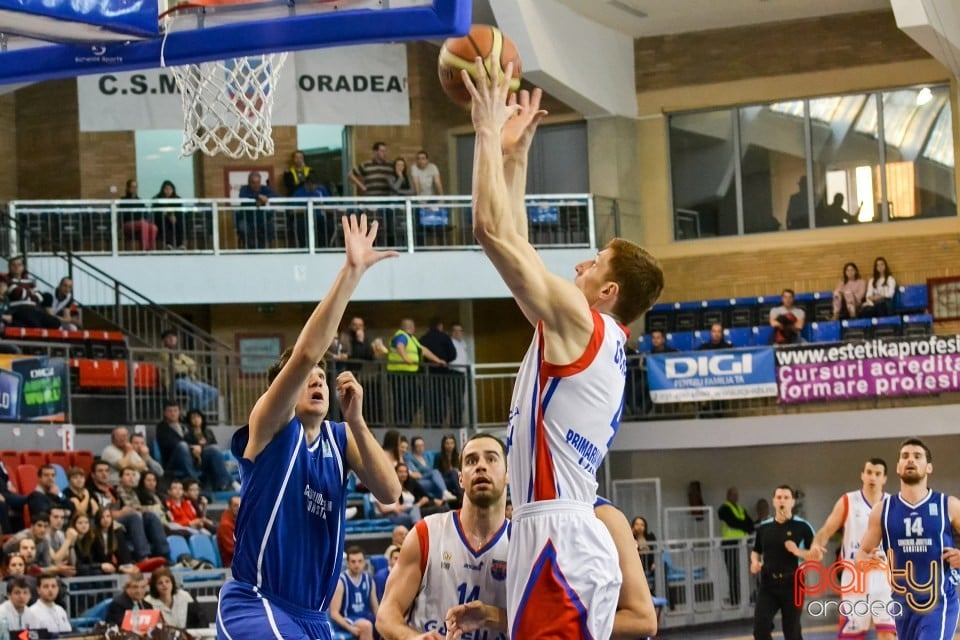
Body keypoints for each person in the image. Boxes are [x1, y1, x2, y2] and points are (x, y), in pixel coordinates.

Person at [462, 60, 663, 638]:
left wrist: (482, 130)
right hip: (550, 533)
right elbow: (515, 247)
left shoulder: (582, 323)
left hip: (557, 538)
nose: (580, 263)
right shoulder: (588, 336)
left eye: (594, 261)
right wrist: (516, 156)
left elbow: (490, 232)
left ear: (609, 291)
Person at [215, 214, 401, 640]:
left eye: (322, 377)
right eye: (309, 378)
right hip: (256, 602)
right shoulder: (272, 426)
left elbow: (390, 492)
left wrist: (355, 420)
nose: (317, 379)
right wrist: (351, 274)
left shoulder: (339, 439)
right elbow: (303, 355)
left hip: (313, 619)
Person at [376, 434, 510, 640]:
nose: (481, 466)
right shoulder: (426, 533)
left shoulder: (521, 542)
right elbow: (386, 615)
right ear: (460, 478)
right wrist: (413, 638)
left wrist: (490, 616)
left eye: (491, 459)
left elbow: (541, 621)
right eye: (472, 460)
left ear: (508, 474)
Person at [858, 438, 960, 639]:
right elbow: (862, 553)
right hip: (903, 605)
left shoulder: (948, 505)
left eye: (917, 456)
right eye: (905, 456)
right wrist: (865, 562)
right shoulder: (883, 511)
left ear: (928, 467)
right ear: (898, 467)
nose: (910, 460)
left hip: (939, 601)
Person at [810, 457, 895, 640]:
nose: (873, 477)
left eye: (877, 474)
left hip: (884, 578)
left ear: (884, 478)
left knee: (888, 633)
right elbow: (826, 531)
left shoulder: (893, 504)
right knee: (852, 636)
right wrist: (816, 545)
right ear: (862, 475)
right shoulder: (848, 501)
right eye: (869, 472)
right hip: (855, 577)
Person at [750, 485, 819, 640]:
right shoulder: (764, 527)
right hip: (768, 583)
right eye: (779, 497)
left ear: (793, 502)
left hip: (793, 583)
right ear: (773, 501)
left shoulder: (802, 526)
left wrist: (798, 552)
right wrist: (754, 562)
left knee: (792, 632)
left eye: (786, 498)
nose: (782, 500)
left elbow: (817, 555)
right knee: (760, 629)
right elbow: (756, 551)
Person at [159, 332, 221, 414]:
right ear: (164, 341)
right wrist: (185, 365)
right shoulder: (164, 353)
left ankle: (191, 411)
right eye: (168, 337)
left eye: (173, 337)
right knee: (198, 392)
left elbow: (193, 365)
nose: (172, 339)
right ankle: (192, 413)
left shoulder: (179, 353)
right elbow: (176, 368)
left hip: (188, 379)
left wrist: (184, 364)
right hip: (175, 380)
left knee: (213, 391)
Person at [331, 547, 378, 640]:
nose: (357, 564)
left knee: (387, 624)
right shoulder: (341, 582)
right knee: (366, 626)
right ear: (347, 563)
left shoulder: (369, 580)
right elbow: (334, 613)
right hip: (347, 618)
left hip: (365, 617)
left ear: (365, 562)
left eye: (360, 561)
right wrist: (350, 628)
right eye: (353, 561)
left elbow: (376, 608)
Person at [718, 487, 753, 606]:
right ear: (728, 495)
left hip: (742, 544)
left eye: (737, 494)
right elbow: (733, 522)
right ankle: (734, 598)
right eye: (733, 494)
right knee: (733, 572)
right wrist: (744, 525)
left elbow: (750, 524)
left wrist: (743, 525)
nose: (736, 497)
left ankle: (742, 597)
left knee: (742, 572)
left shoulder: (741, 509)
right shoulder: (724, 509)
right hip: (730, 543)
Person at [236, 171, 277, 249]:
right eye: (253, 183)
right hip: (247, 220)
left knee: (270, 227)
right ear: (249, 182)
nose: (256, 185)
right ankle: (251, 249)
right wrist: (258, 197)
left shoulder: (264, 188)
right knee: (242, 227)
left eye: (258, 182)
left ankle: (261, 248)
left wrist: (265, 198)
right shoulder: (244, 188)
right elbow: (243, 196)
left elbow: (275, 195)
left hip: (261, 221)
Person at [119, 178, 159, 251]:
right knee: (143, 224)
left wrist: (144, 218)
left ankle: (150, 249)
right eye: (132, 187)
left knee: (154, 227)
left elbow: (145, 213)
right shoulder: (123, 200)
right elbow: (125, 215)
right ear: (128, 188)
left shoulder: (140, 201)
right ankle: (145, 249)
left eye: (136, 187)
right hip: (127, 224)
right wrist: (139, 218)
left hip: (141, 224)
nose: (134, 189)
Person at [154, 180, 185, 250]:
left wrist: (174, 216)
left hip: (174, 220)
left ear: (173, 190)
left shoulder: (177, 199)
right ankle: (169, 244)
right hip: (161, 221)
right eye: (166, 189)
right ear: (162, 190)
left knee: (179, 221)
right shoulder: (157, 199)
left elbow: (180, 212)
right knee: (164, 221)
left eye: (170, 189)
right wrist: (168, 215)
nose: (168, 191)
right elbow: (156, 213)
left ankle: (180, 244)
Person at [217, 495, 240, 568]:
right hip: (231, 563)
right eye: (235, 505)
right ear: (229, 507)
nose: (239, 508)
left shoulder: (239, 522)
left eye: (240, 505)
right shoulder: (225, 525)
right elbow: (231, 549)